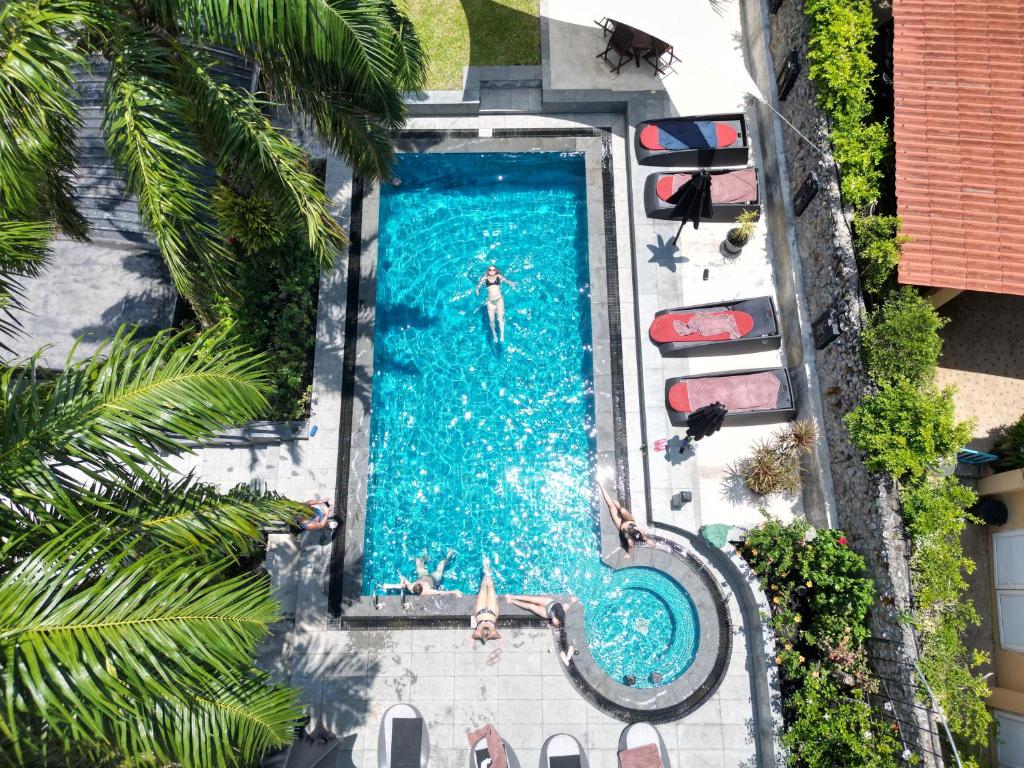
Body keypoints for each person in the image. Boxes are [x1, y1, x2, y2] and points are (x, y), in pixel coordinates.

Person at [598, 483, 651, 558]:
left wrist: (628, 554)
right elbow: (646, 538)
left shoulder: (630, 541)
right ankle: (619, 506)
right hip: (629, 519)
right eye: (635, 530)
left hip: (620, 524)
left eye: (632, 532)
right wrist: (648, 541)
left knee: (611, 505)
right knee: (622, 510)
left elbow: (630, 549)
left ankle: (601, 486)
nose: (632, 530)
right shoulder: (641, 532)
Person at [380, 549, 461, 596]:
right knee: (442, 563)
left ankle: (425, 557)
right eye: (422, 584)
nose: (422, 583)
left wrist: (402, 583)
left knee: (418, 560)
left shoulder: (411, 587)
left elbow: (403, 577)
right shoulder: (428, 591)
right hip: (435, 578)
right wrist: (454, 591)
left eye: (419, 583)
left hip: (423, 575)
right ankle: (449, 555)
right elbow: (441, 593)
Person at [475, 265, 516, 343]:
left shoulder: (499, 276)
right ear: (488, 271)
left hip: (499, 300)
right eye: (490, 269)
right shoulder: (484, 278)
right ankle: (494, 334)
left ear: (496, 270)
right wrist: (477, 289)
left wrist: (511, 283)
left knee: (500, 318)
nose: (492, 271)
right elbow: (479, 286)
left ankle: (502, 335)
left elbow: (507, 281)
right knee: (491, 320)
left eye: (493, 269)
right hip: (490, 302)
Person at [471, 555, 502, 644]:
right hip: (480, 612)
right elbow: (473, 636)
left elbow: (498, 636)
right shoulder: (478, 633)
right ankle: (487, 572)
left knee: (490, 588)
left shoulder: (493, 632)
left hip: (491, 613)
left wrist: (487, 637)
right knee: (484, 588)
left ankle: (487, 572)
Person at [504, 594, 577, 628]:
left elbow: (555, 625)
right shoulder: (563, 609)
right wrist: (572, 601)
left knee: (531, 606)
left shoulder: (557, 620)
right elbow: (568, 605)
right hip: (550, 602)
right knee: (532, 599)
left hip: (546, 612)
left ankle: (513, 601)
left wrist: (551, 626)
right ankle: (512, 596)